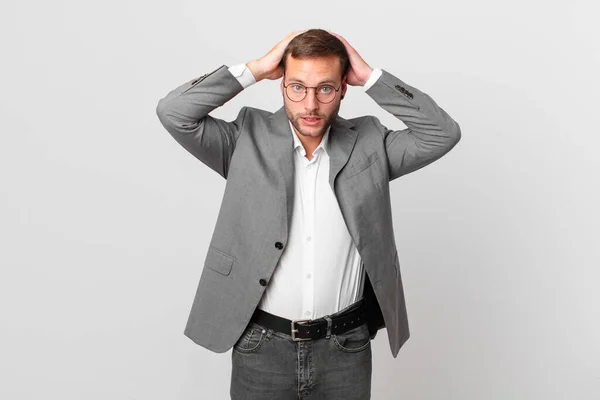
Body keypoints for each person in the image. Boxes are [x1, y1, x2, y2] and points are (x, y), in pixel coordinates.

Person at [155, 29, 461, 400]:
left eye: (325, 89)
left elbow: (442, 134)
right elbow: (174, 113)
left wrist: (370, 77)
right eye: (297, 87)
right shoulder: (244, 139)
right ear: (282, 85)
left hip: (344, 348)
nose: (310, 105)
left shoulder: (370, 143)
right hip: (261, 346)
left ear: (344, 89)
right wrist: (254, 69)